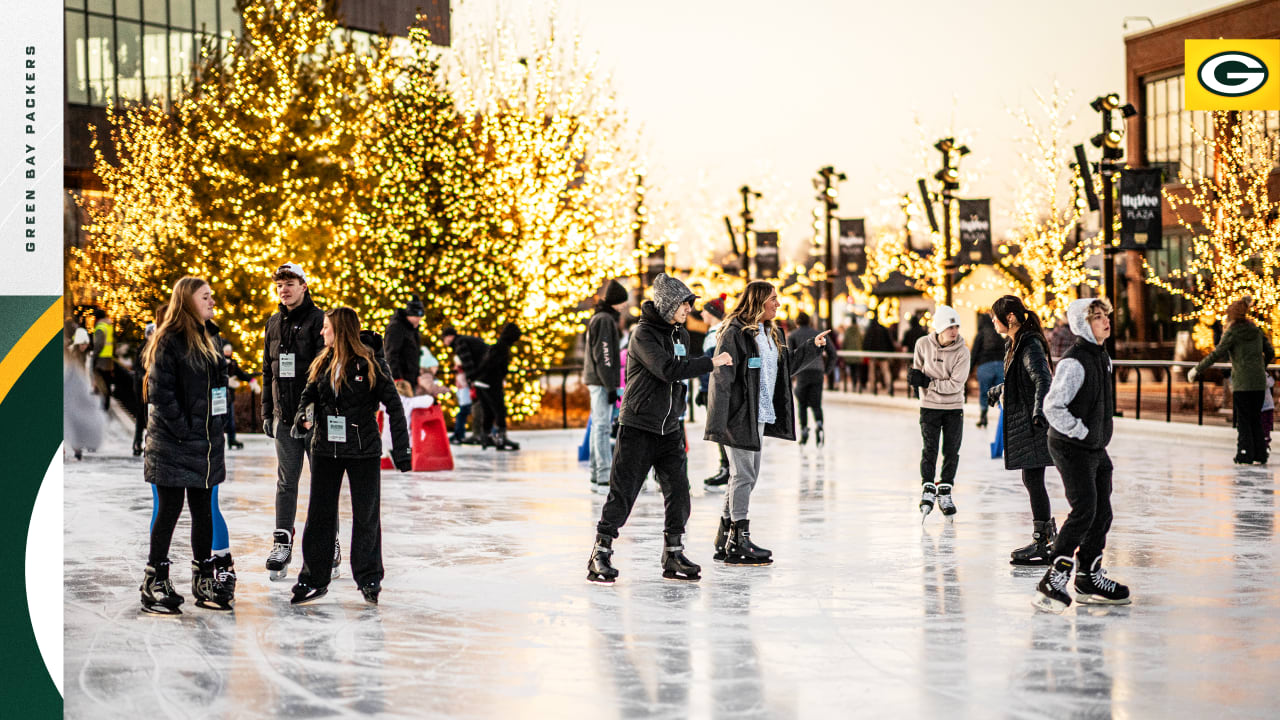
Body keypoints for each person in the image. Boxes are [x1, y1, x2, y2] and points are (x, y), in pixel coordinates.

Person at [587, 273, 731, 583]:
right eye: (684, 304)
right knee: (623, 493)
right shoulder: (643, 334)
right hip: (639, 426)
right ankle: (600, 553)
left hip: (670, 428)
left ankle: (673, 553)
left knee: (679, 492)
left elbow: (678, 374)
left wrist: (679, 409)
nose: (689, 309)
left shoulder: (680, 334)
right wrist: (711, 362)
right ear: (668, 305)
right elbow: (667, 369)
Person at [289, 309, 412, 604]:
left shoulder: (371, 363)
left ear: (341, 330)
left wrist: (402, 452)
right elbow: (308, 397)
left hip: (362, 450)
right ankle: (313, 578)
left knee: (366, 515)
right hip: (326, 448)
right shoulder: (322, 361)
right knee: (319, 516)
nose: (322, 332)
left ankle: (369, 578)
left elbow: (394, 405)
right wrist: (303, 417)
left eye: (326, 327)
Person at [705, 281, 828, 565]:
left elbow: (784, 368)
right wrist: (720, 422)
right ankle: (739, 539)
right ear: (758, 301)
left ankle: (726, 536)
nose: (778, 303)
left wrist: (812, 347)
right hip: (739, 415)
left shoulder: (772, 333)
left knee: (746, 476)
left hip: (760, 413)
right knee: (743, 475)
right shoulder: (735, 332)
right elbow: (722, 378)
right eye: (773, 298)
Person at [138, 277, 233, 615]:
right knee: (170, 509)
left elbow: (220, 384)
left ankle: (204, 577)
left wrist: (216, 422)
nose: (211, 301)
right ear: (187, 301)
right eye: (205, 297)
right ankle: (155, 580)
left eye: (211, 296)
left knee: (203, 510)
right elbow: (160, 393)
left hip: (206, 442)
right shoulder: (169, 340)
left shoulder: (211, 336)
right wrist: (185, 429)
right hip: (173, 443)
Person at [1035, 297, 1131, 612]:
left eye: (1106, 315)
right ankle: (1054, 577)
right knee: (1084, 510)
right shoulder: (1074, 362)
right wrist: (1081, 431)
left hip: (1094, 447)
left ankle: (1088, 576)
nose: (1106, 321)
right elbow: (1052, 406)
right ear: (1083, 324)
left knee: (1102, 512)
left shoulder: (1102, 357)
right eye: (1097, 317)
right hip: (1070, 445)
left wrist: (1096, 436)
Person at [261, 262, 329, 581]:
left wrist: (315, 411)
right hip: (284, 418)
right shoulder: (273, 323)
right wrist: (267, 412)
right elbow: (268, 372)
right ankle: (282, 543)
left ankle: (329, 541)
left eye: (289, 284)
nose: (283, 290)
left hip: (314, 420)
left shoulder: (319, 321)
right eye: (279, 285)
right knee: (286, 483)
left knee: (322, 483)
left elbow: (323, 371)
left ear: (304, 286)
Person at [987, 295, 1056, 565]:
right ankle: (1045, 538)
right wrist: (1001, 389)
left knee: (1033, 480)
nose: (994, 322)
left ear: (1011, 318)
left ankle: (1043, 542)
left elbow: (1042, 379)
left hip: (1033, 422)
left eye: (996, 317)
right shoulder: (1015, 343)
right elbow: (1022, 379)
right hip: (1025, 420)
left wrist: (1039, 411)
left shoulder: (1029, 344)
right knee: (1031, 480)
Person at [1190, 296, 1275, 465]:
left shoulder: (1232, 332)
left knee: (1243, 420)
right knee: (1255, 418)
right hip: (1259, 382)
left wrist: (1197, 369)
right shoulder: (1257, 331)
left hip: (1242, 383)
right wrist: (1260, 366)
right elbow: (1270, 352)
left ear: (1232, 316)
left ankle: (1245, 453)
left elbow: (1217, 353)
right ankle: (1260, 454)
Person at [908, 306, 970, 520]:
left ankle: (945, 489)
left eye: (956, 326)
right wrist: (917, 383)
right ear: (940, 328)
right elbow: (917, 371)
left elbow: (955, 384)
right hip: (929, 407)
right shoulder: (922, 344)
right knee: (930, 449)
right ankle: (927, 486)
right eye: (950, 327)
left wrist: (928, 383)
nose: (954, 331)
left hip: (953, 408)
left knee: (952, 450)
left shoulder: (962, 351)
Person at [584, 279, 628, 491]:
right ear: (615, 301)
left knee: (599, 426)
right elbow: (604, 356)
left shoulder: (601, 317)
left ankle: (597, 472)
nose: (624, 306)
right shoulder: (604, 320)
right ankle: (602, 473)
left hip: (599, 380)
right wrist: (610, 386)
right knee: (602, 427)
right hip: (601, 381)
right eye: (622, 302)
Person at [786, 311, 835, 447]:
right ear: (810, 322)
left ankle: (804, 429)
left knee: (802, 403)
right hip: (818, 371)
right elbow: (833, 354)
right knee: (816, 403)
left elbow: (790, 358)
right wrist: (826, 371)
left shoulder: (793, 335)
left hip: (802, 372)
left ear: (797, 322)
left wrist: (791, 376)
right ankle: (819, 424)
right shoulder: (818, 334)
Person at [473, 323, 523, 451]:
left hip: (481, 381)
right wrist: (501, 376)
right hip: (491, 383)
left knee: (488, 411)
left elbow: (484, 363)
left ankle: (486, 436)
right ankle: (501, 437)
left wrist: (476, 376)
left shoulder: (495, 346)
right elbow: (496, 366)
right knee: (499, 409)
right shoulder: (502, 348)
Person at [698, 297, 731, 487]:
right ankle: (726, 466)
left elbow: (711, 366)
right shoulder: (717, 332)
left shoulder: (715, 335)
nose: (701, 313)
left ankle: (726, 467)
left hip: (715, 389)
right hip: (716, 388)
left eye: (704, 310)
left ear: (711, 313)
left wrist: (704, 389)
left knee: (720, 429)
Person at [442, 327, 489, 444]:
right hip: (486, 371)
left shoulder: (460, 343)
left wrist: (471, 379)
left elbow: (468, 362)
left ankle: (480, 434)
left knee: (479, 404)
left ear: (450, 337)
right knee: (484, 403)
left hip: (483, 373)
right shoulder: (464, 340)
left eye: (444, 339)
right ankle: (485, 433)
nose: (444, 342)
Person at [132, 304, 167, 456]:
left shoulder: (157, 347)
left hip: (151, 385)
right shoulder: (143, 348)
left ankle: (148, 443)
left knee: (150, 416)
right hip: (142, 386)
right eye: (151, 333)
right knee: (141, 416)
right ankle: (138, 442)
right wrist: (143, 376)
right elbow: (137, 367)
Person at [971, 313, 1005, 428]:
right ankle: (1004, 417)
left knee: (984, 393)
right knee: (1002, 393)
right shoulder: (998, 334)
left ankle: (983, 416)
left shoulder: (980, 335)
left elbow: (974, 353)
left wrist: (969, 370)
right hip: (1000, 365)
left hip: (985, 366)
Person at [384, 296, 425, 387]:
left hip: (410, 379)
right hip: (400, 380)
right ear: (409, 315)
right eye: (416, 317)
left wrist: (416, 375)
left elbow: (414, 354)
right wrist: (396, 377)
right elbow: (391, 353)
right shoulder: (396, 328)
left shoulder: (413, 329)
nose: (418, 320)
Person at [222, 342, 255, 450]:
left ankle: (231, 439)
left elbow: (241, 374)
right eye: (226, 351)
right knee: (221, 419)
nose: (228, 352)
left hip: (229, 396)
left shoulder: (233, 363)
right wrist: (227, 381)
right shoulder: (219, 361)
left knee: (230, 419)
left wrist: (251, 380)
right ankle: (219, 440)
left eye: (229, 351)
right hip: (220, 395)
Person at [863, 311, 897, 392]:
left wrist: (866, 351)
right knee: (885, 371)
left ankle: (872, 388)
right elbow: (889, 341)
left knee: (872, 372)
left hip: (872, 354)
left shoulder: (870, 330)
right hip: (883, 354)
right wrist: (891, 351)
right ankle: (889, 387)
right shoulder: (883, 329)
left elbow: (866, 343)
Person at [91, 307, 115, 411]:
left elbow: (99, 344)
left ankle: (104, 404)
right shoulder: (109, 326)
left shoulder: (100, 327)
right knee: (107, 381)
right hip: (108, 358)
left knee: (102, 382)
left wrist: (94, 357)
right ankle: (106, 404)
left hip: (101, 359)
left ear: (97, 318)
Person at [450, 357, 472, 445]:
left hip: (466, 397)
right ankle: (459, 434)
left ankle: (459, 434)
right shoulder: (460, 372)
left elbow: (464, 383)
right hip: (464, 396)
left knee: (462, 415)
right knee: (462, 415)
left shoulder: (463, 372)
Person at [842, 314, 867, 391]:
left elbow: (844, 342)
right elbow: (862, 342)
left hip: (849, 355)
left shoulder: (848, 331)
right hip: (858, 355)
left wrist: (844, 351)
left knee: (852, 371)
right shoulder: (859, 331)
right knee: (858, 371)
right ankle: (858, 385)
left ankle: (854, 384)